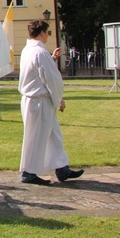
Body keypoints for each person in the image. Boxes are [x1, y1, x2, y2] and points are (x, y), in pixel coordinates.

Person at [19, 19, 83, 185]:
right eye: (47, 32)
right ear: (41, 33)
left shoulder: (29, 50)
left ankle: (62, 167)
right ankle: (28, 172)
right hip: (39, 101)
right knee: (36, 137)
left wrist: (52, 59)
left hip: (35, 100)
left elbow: (42, 72)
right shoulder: (39, 52)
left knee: (53, 135)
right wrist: (59, 99)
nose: (48, 36)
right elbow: (51, 79)